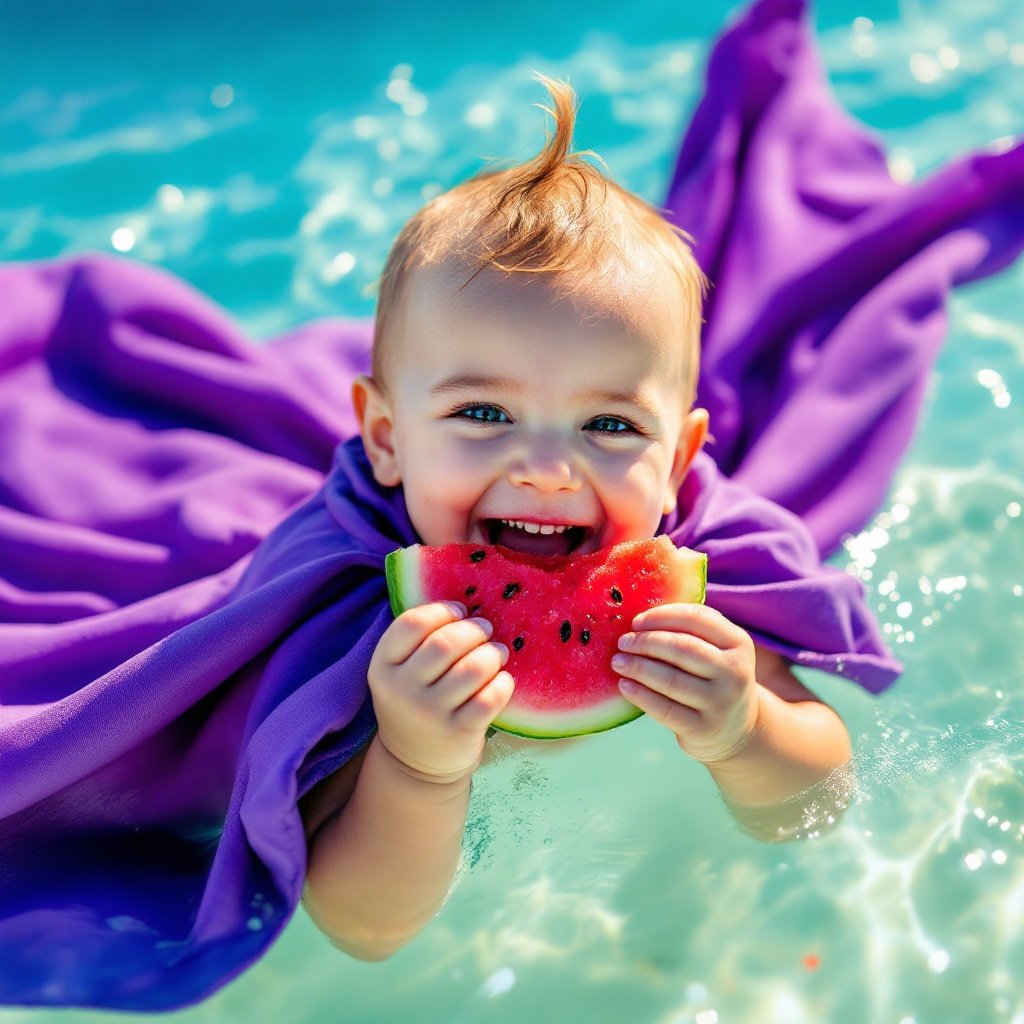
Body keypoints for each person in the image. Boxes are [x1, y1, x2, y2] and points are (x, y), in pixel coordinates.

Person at [298, 74, 856, 962]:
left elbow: (814, 807)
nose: (550, 473)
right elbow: (364, 926)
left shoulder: (706, 578)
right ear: (386, 439)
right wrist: (415, 765)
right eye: (484, 414)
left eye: (609, 426)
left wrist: (744, 728)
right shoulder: (344, 601)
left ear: (677, 462)